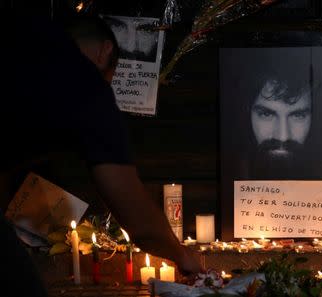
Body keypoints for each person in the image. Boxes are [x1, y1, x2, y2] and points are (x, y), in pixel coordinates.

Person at [0, 15, 201, 297]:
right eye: (113, 73)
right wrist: (182, 256)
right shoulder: (87, 88)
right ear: (106, 50)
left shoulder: (22, 42)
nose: (110, 83)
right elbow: (135, 216)